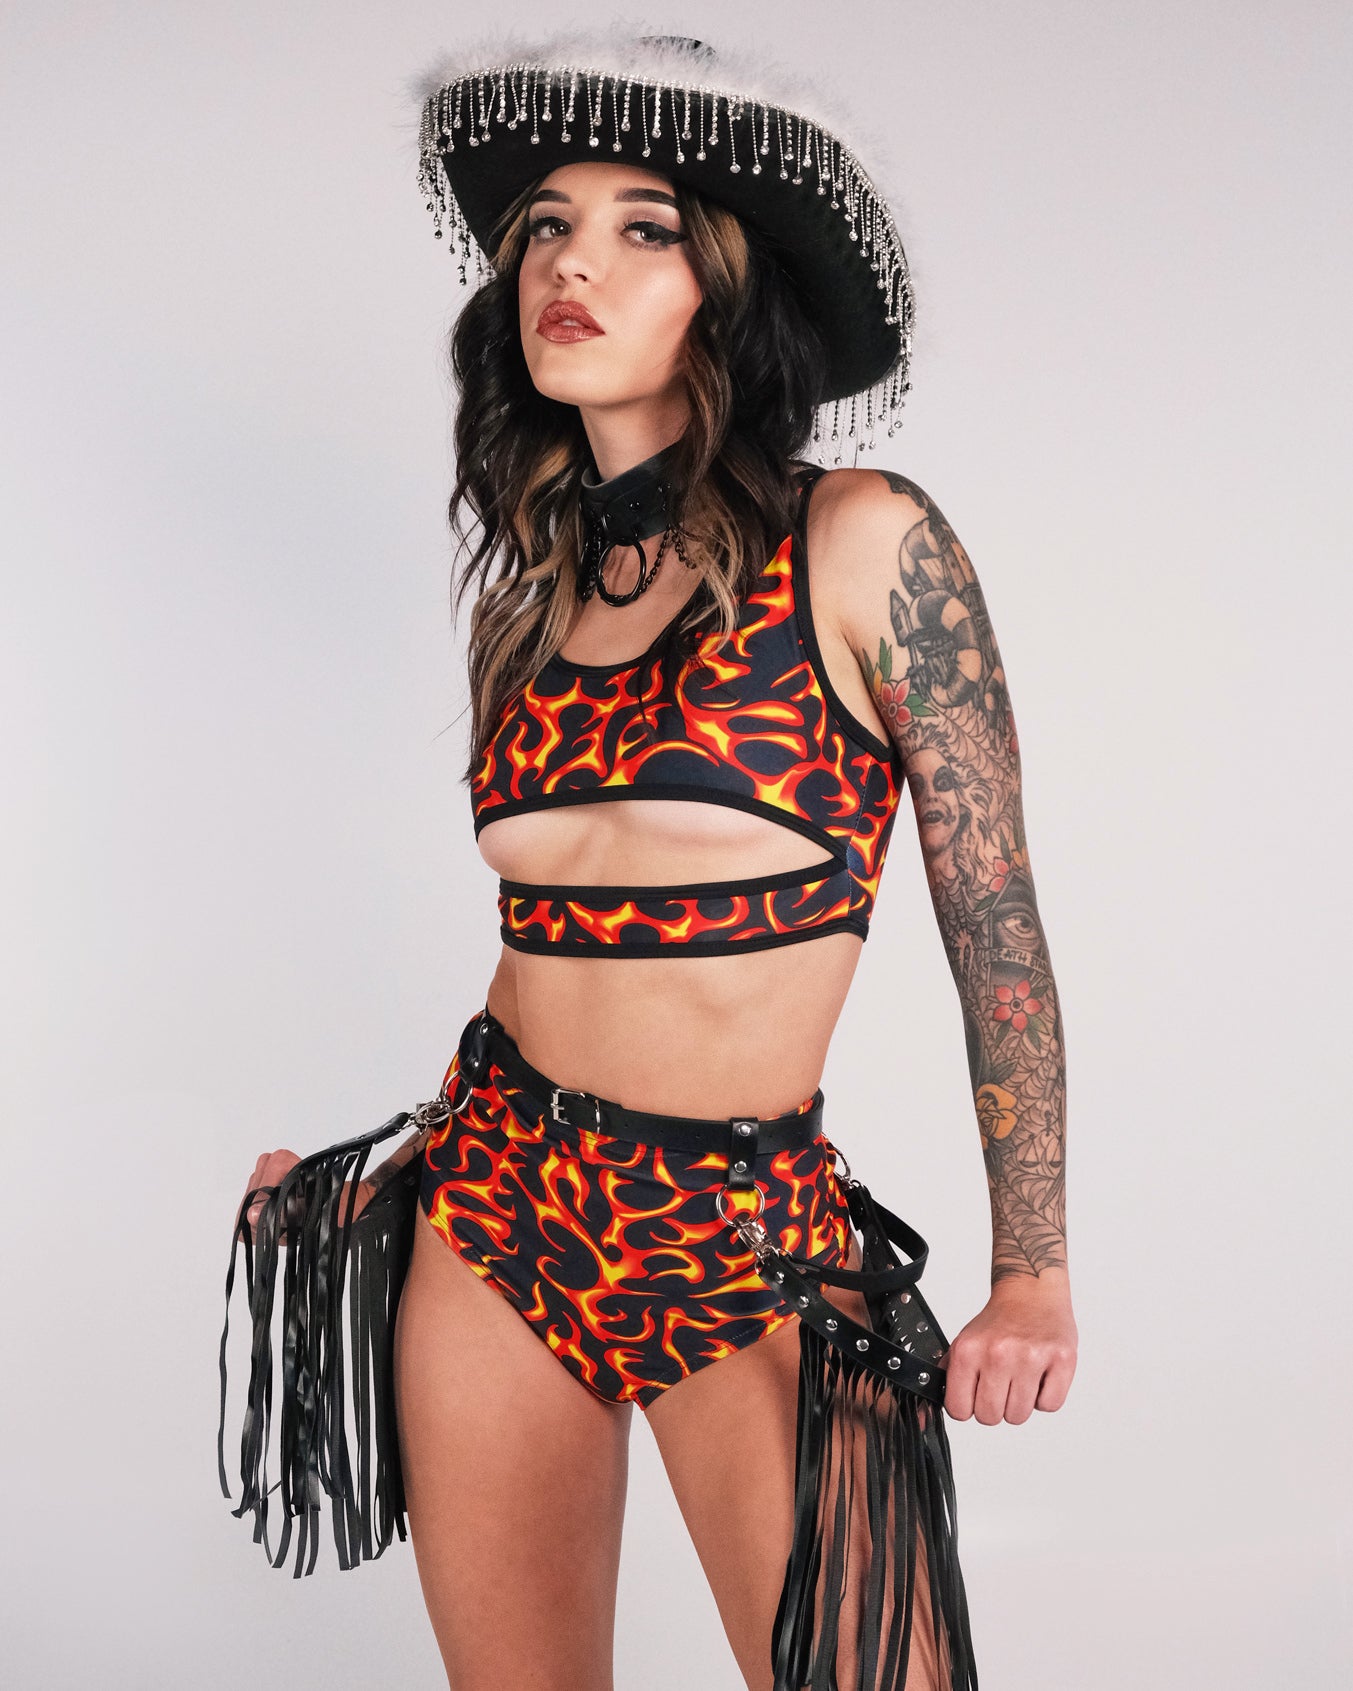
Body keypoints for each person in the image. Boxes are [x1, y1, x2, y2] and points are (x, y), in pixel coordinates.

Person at [235, 32, 1076, 1691]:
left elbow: (996, 930)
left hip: (743, 1237)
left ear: (726, 293)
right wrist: (383, 1177)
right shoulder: (533, 599)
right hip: (493, 1214)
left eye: (643, 229)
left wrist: (1029, 1272)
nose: (573, 264)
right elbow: (550, 949)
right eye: (546, 227)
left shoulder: (861, 541)